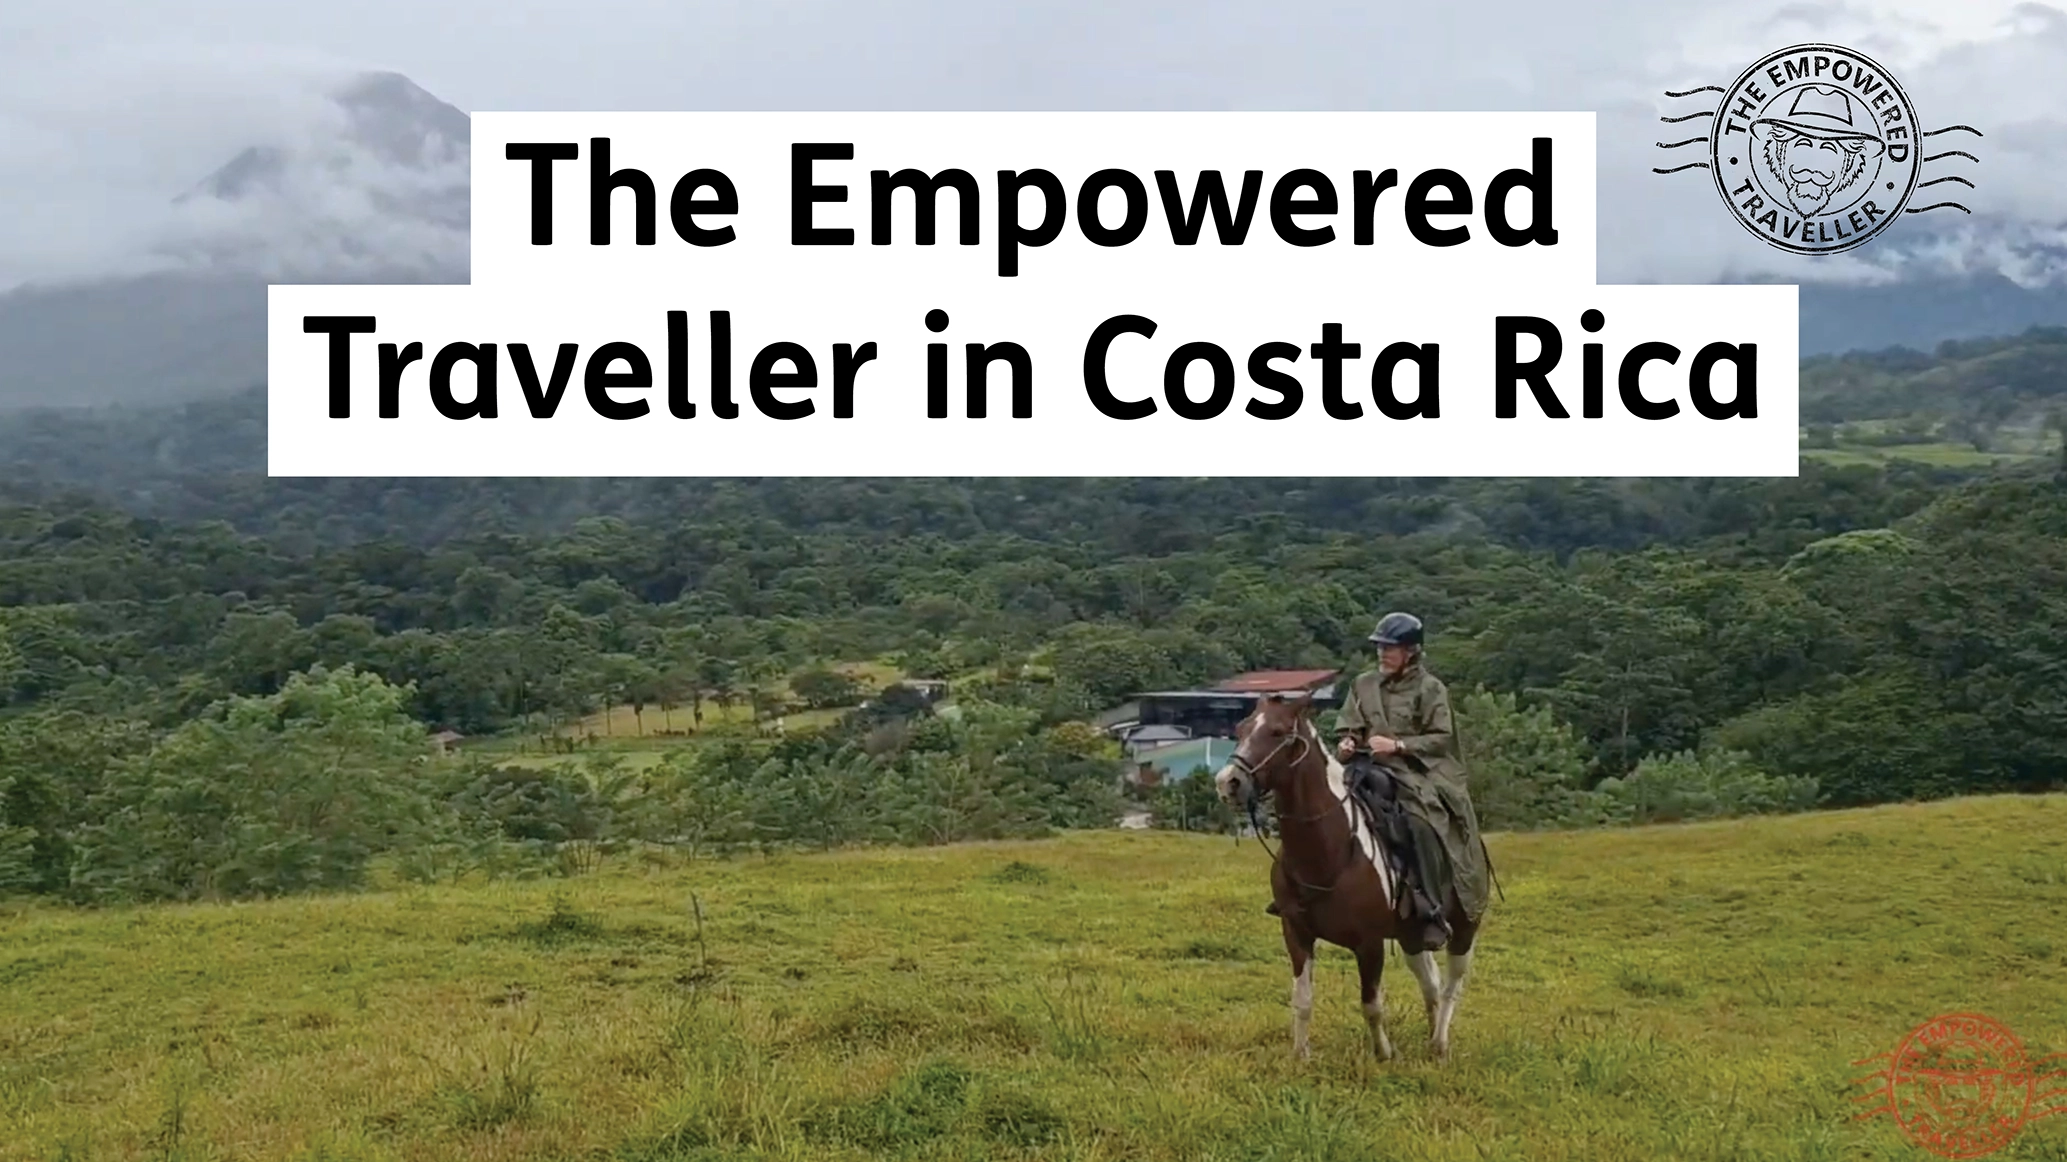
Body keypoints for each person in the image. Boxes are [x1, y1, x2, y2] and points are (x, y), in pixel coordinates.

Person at [1265, 612, 1490, 954]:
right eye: (1380, 647)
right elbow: (1350, 723)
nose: (1382, 654)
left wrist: (1400, 746)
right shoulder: (1363, 684)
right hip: (1365, 766)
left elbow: (1442, 738)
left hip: (1416, 773)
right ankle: (1293, 892)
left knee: (1419, 824)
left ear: (1411, 651)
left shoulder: (1431, 690)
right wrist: (1349, 741)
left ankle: (1429, 908)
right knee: (1321, 809)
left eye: (1390, 648)